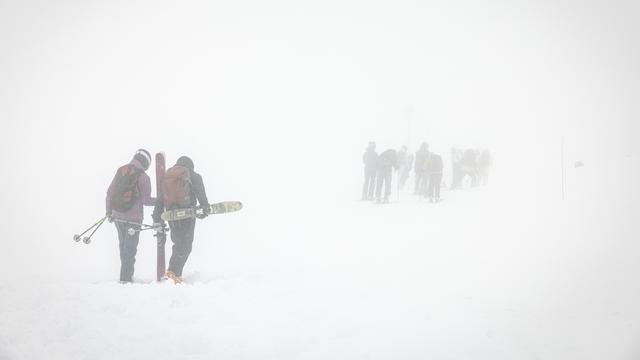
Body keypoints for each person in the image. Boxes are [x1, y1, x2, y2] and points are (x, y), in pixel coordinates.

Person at [152, 156, 210, 284]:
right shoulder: (193, 175)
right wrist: (205, 208)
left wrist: (157, 217)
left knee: (178, 243)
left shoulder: (168, 176)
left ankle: (173, 273)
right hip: (187, 214)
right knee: (186, 245)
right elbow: (200, 193)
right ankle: (173, 273)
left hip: (171, 215)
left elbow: (160, 200)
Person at [105, 149, 156, 283]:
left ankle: (124, 278)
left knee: (123, 247)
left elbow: (109, 193)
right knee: (130, 250)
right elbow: (146, 201)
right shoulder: (144, 177)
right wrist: (160, 200)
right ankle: (126, 280)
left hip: (117, 216)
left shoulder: (121, 170)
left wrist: (108, 212)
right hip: (134, 219)